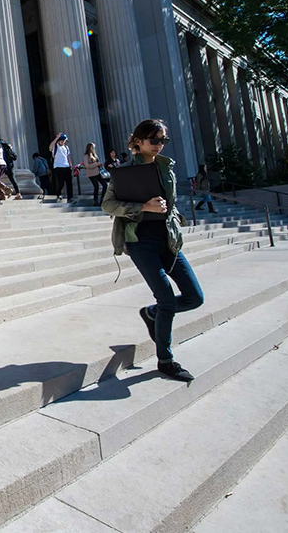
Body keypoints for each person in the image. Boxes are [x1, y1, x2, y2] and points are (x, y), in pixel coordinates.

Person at [101, 119, 204, 382]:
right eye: (154, 140)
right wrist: (143, 207)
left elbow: (170, 202)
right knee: (167, 299)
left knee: (194, 297)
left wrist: (174, 215)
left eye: (163, 140)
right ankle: (166, 360)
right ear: (138, 142)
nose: (159, 145)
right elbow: (108, 205)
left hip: (168, 241)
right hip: (141, 242)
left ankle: (151, 314)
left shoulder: (166, 169)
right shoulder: (124, 173)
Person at [82, 143, 108, 207]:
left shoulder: (95, 155)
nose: (94, 149)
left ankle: (102, 198)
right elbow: (87, 165)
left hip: (98, 172)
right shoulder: (86, 156)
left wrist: (99, 164)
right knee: (96, 187)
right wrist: (96, 164)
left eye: (94, 148)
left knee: (105, 184)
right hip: (91, 174)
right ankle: (95, 201)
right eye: (93, 148)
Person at [49, 133, 73, 202]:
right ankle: (59, 194)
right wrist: (56, 138)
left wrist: (70, 164)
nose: (63, 142)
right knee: (60, 182)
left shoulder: (66, 147)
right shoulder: (55, 147)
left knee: (69, 182)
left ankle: (70, 197)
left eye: (64, 140)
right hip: (58, 167)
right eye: (61, 140)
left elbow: (68, 157)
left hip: (66, 166)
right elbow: (50, 147)